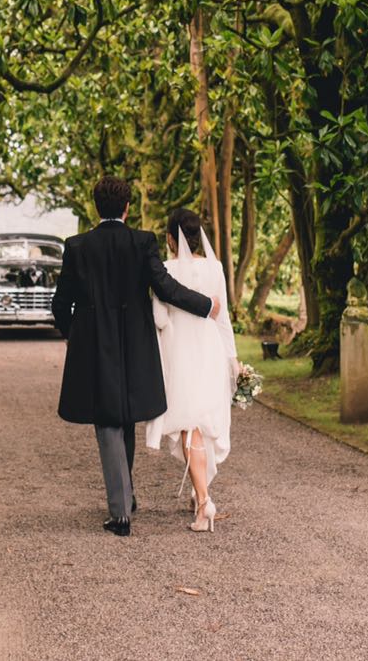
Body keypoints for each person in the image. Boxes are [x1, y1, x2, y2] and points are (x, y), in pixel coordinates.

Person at [52, 176, 220, 537]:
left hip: (95, 345)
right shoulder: (142, 242)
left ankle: (121, 512)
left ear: (97, 207)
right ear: (127, 208)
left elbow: (60, 303)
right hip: (135, 345)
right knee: (119, 418)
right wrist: (205, 305)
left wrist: (74, 336)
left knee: (110, 421)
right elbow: (166, 287)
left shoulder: (78, 246)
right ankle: (123, 499)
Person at [146, 208, 237, 533]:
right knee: (202, 423)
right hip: (210, 349)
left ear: (171, 238)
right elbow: (223, 316)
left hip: (180, 350)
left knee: (189, 426)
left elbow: (159, 318)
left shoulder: (166, 269)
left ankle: (203, 502)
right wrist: (232, 358)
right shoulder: (216, 267)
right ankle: (202, 493)